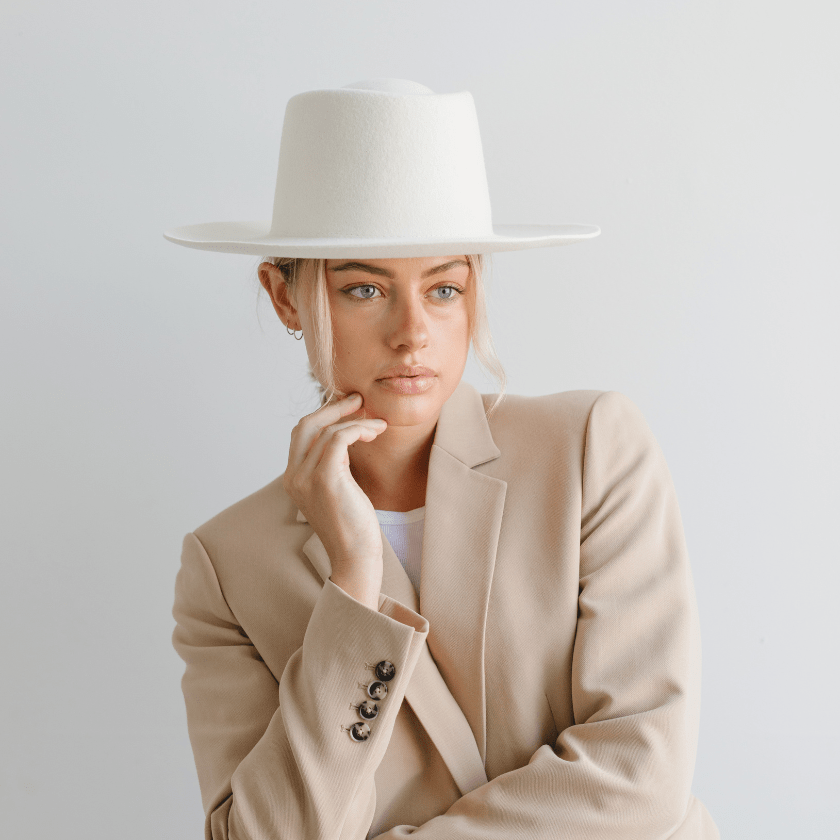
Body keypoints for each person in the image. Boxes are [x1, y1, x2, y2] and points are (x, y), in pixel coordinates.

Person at [166, 78, 720, 839]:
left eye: (444, 288)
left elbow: (640, 778)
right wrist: (353, 583)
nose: (413, 333)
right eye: (365, 289)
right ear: (285, 296)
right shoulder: (228, 565)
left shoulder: (590, 450)